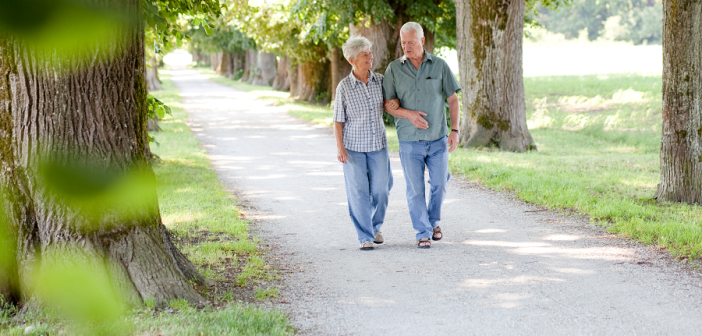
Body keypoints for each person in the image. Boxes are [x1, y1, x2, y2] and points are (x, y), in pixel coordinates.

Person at [382, 22, 461, 249]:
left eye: (411, 42)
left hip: (438, 138)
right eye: (403, 42)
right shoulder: (394, 69)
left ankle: (433, 221)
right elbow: (388, 104)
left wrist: (455, 130)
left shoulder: (439, 66)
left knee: (440, 184)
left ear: (422, 41)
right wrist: (408, 114)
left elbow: (453, 99)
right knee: (415, 189)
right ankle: (422, 232)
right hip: (409, 141)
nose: (406, 47)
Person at [333, 36, 393, 251]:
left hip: (378, 145)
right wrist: (340, 147)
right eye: (364, 55)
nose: (370, 57)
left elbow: (391, 104)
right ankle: (365, 236)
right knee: (358, 192)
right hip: (353, 148)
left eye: (370, 53)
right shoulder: (344, 87)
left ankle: (375, 226)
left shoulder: (381, 80)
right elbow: (338, 120)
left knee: (381, 190)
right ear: (352, 60)